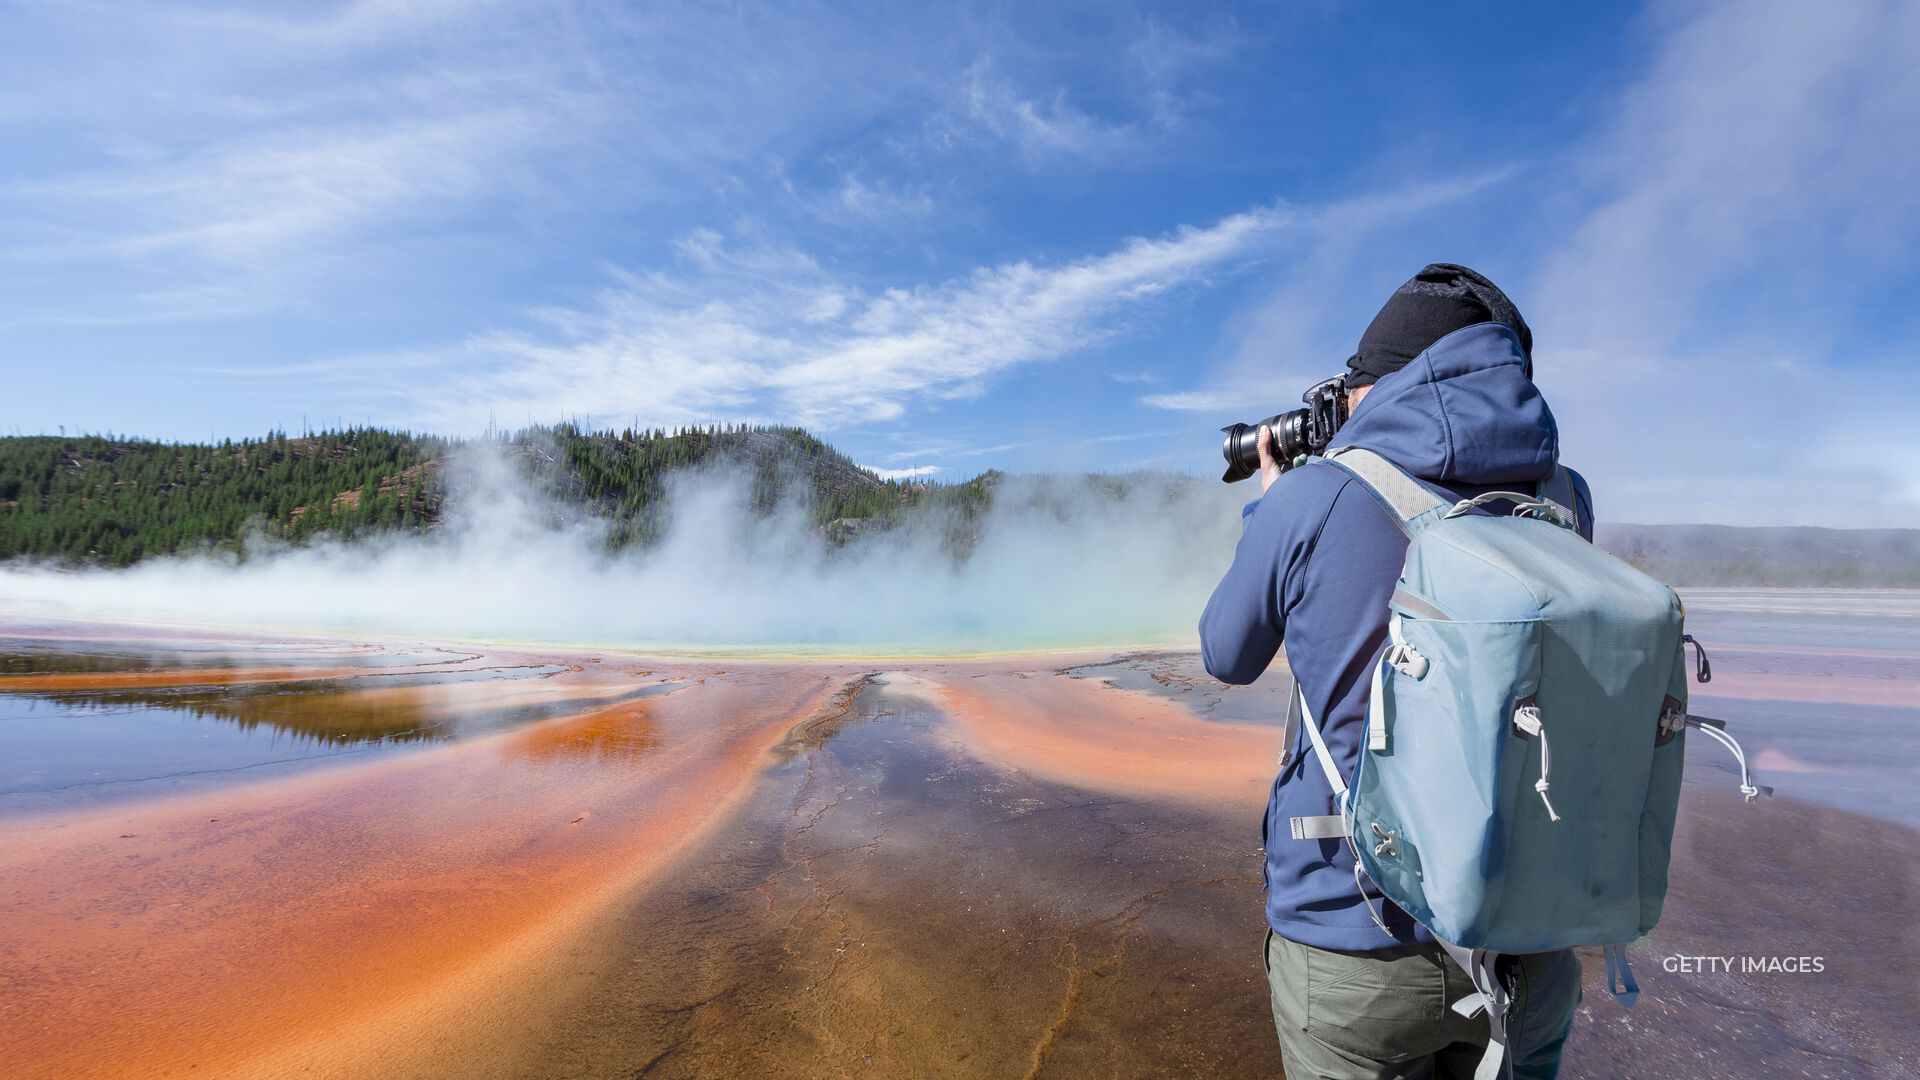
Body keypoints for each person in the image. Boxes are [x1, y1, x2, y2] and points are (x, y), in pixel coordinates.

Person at [1199, 264, 1590, 1079]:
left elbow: (1226, 653)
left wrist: (1273, 504)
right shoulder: (1566, 499)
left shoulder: (1315, 497)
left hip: (1355, 938)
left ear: (1375, 384)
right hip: (1530, 934)